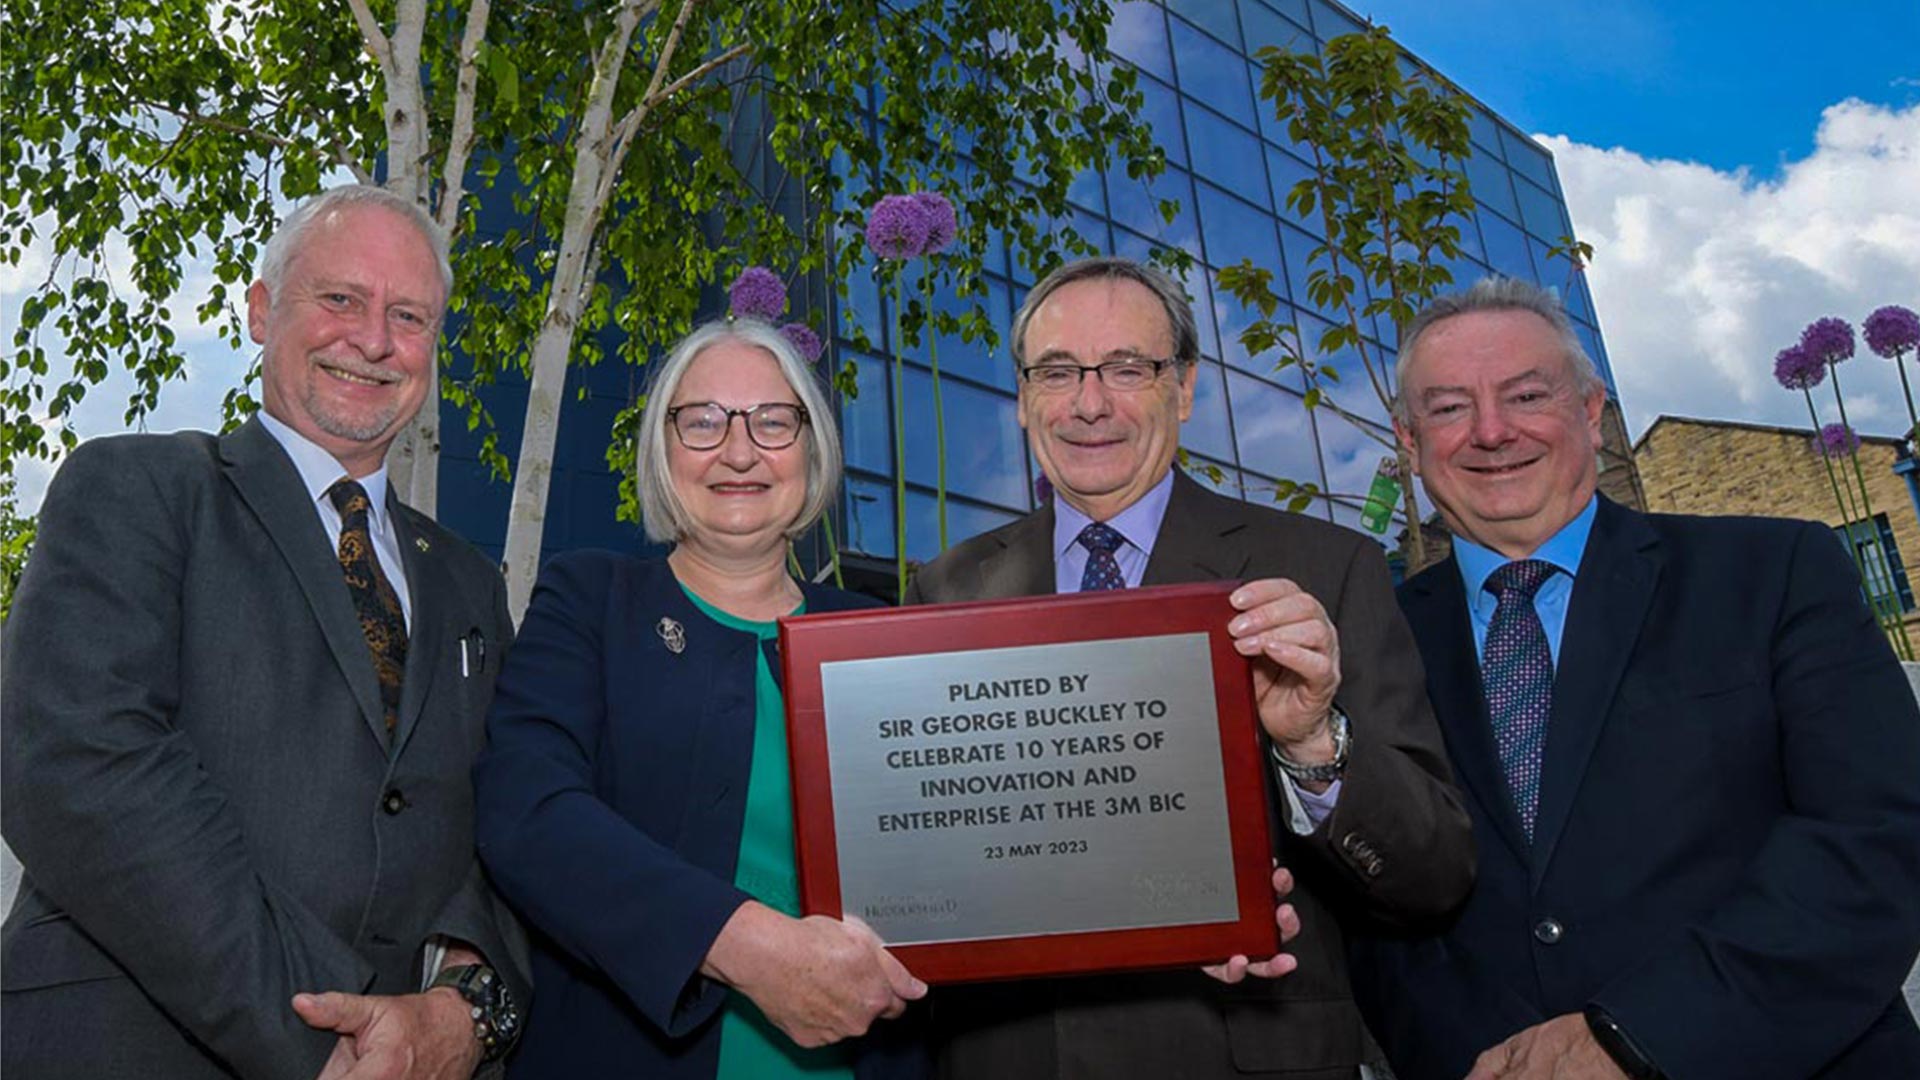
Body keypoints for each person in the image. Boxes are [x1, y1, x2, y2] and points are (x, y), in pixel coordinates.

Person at [1, 184, 528, 1080]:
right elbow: (80, 763)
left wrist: (462, 1010)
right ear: (258, 310)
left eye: (408, 316)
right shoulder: (140, 490)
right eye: (339, 300)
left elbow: (507, 819)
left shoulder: (472, 583)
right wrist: (328, 1033)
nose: (372, 340)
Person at [904, 255, 1475, 1078]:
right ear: (1025, 399)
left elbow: (1432, 874)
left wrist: (1312, 744)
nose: (1090, 402)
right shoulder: (945, 590)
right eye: (1058, 372)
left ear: (1185, 388)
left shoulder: (1324, 569)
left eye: (1127, 368)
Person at [1351, 276, 1920, 1079]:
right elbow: (1376, 907)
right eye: (1447, 408)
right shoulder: (1373, 636)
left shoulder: (1773, 572)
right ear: (1409, 444)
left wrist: (1637, 1037)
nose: (1490, 431)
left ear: (1590, 412)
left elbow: (1877, 838)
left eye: (1525, 394)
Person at [472, 319, 927, 1079]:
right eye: (704, 421)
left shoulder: (881, 634)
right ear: (662, 450)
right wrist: (748, 948)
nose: (739, 452)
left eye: (773, 422)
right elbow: (527, 809)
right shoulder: (588, 599)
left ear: (812, 450)